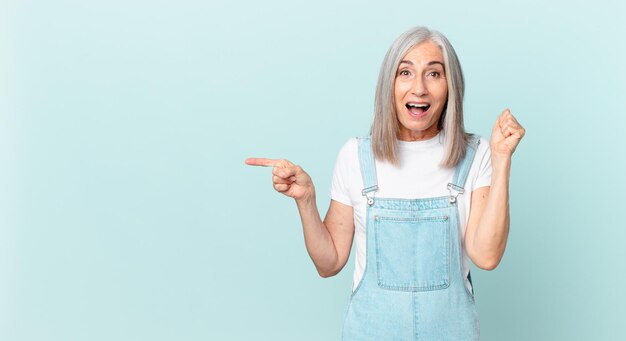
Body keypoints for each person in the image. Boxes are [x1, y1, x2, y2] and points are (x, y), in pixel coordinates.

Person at [246, 26, 525, 340]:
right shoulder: (355, 156)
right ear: (389, 84)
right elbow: (329, 263)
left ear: (451, 87)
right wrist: (306, 201)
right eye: (405, 72)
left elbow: (487, 256)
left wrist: (502, 159)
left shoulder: (475, 155)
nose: (419, 88)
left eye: (434, 74)